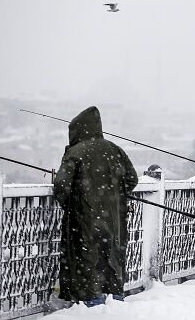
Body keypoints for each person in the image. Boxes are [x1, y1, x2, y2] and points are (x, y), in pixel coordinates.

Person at [54, 106, 138, 306]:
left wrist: (74, 202)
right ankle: (115, 299)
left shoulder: (76, 152)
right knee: (112, 261)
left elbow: (61, 186)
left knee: (87, 260)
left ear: (77, 131)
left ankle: (92, 303)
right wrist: (113, 195)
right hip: (114, 221)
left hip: (85, 221)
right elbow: (132, 179)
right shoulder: (116, 150)